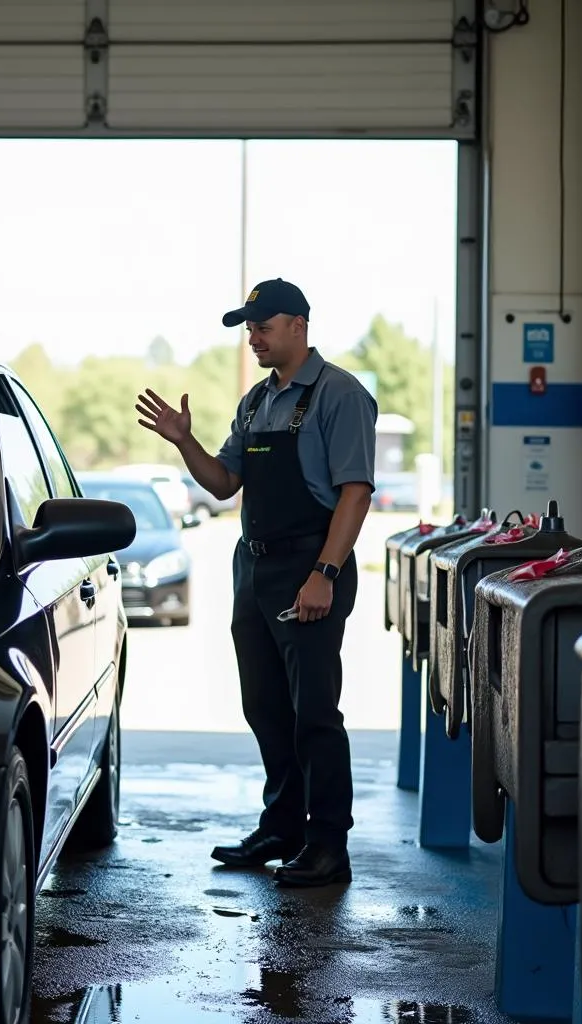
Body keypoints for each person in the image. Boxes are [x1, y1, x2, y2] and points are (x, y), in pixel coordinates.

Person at [135, 278, 377, 888]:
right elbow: (222, 484)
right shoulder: (256, 403)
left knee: (314, 712)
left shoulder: (337, 395)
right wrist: (183, 440)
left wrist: (326, 573)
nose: (254, 337)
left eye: (263, 326)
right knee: (264, 704)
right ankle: (282, 827)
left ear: (298, 324)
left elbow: (355, 492)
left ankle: (327, 843)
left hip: (309, 568)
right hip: (256, 568)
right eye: (249, 327)